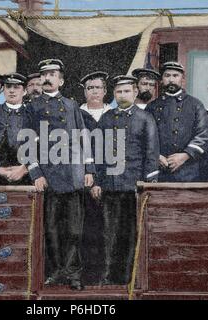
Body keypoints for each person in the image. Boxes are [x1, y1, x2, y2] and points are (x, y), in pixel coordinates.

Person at [26, 58, 94, 290]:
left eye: (52, 74)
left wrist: (89, 168)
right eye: (44, 74)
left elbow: (83, 135)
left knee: (75, 229)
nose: (47, 78)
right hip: (50, 176)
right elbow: (26, 142)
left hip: (73, 174)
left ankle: (73, 273)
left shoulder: (71, 104)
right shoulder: (33, 106)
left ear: (61, 80)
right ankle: (56, 271)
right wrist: (36, 173)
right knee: (52, 229)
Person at [91, 75, 159, 285]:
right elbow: (97, 152)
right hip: (110, 186)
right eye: (119, 92)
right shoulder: (106, 118)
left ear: (135, 92)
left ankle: (130, 278)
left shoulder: (145, 118)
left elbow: (152, 153)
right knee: (108, 232)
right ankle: (109, 277)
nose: (123, 95)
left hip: (134, 186)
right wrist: (97, 182)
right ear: (113, 94)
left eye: (127, 91)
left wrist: (148, 185)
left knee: (130, 233)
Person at [146, 61, 208, 182]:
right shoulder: (152, 106)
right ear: (161, 80)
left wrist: (185, 155)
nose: (171, 80)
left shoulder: (195, 104)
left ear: (183, 79)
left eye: (175, 76)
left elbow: (203, 134)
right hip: (159, 168)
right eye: (167, 75)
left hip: (188, 170)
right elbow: (145, 136)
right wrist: (156, 156)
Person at [78, 71, 111, 285]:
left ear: (105, 91)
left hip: (110, 179)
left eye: (98, 87)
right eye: (90, 88)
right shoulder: (77, 114)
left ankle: (106, 274)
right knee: (85, 229)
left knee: (108, 228)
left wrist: (102, 181)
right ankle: (87, 274)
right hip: (83, 180)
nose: (94, 91)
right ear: (84, 91)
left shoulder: (114, 114)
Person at [0, 72, 30, 185]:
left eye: (16, 87)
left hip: (25, 176)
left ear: (25, 91)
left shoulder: (32, 114)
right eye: (8, 87)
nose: (12, 91)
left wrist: (25, 168)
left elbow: (39, 146)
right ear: (3, 90)